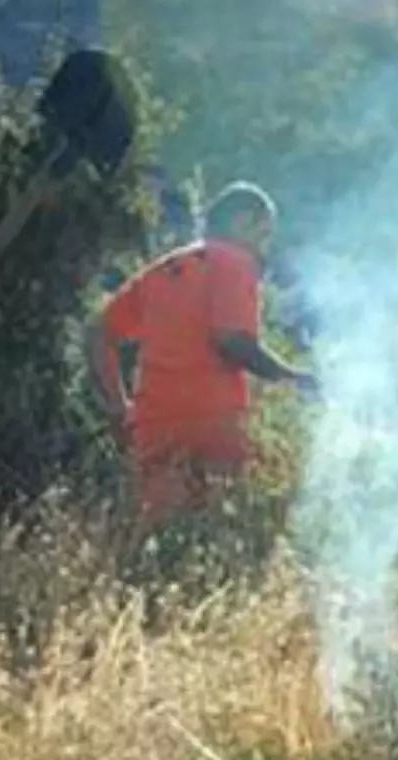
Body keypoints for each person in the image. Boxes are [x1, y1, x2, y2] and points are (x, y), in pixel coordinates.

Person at [86, 181, 319, 527]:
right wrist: (290, 376)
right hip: (213, 420)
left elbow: (99, 332)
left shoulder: (162, 268)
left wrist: (120, 407)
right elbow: (230, 339)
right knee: (224, 531)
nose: (262, 249)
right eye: (262, 233)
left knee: (161, 538)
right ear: (241, 221)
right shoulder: (235, 261)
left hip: (155, 423)